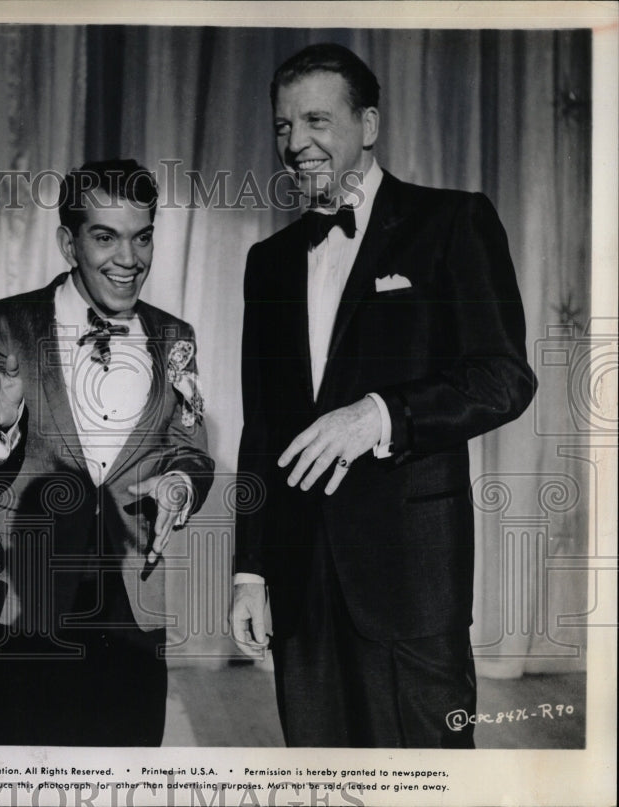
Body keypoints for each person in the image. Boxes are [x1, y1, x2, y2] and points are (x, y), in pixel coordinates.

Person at [230, 44, 537, 748]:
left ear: (369, 124)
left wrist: (380, 414)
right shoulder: (267, 261)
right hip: (302, 583)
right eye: (282, 126)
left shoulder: (453, 223)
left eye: (316, 120)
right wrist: (252, 569)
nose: (295, 143)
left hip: (412, 580)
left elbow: (503, 375)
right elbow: (262, 428)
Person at [0, 159, 215, 746]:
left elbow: (190, 448)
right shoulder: (6, 324)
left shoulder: (177, 337)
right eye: (105, 236)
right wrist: (0, 426)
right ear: (67, 243)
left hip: (134, 601)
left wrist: (180, 485)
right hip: (28, 596)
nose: (129, 259)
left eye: (142, 236)